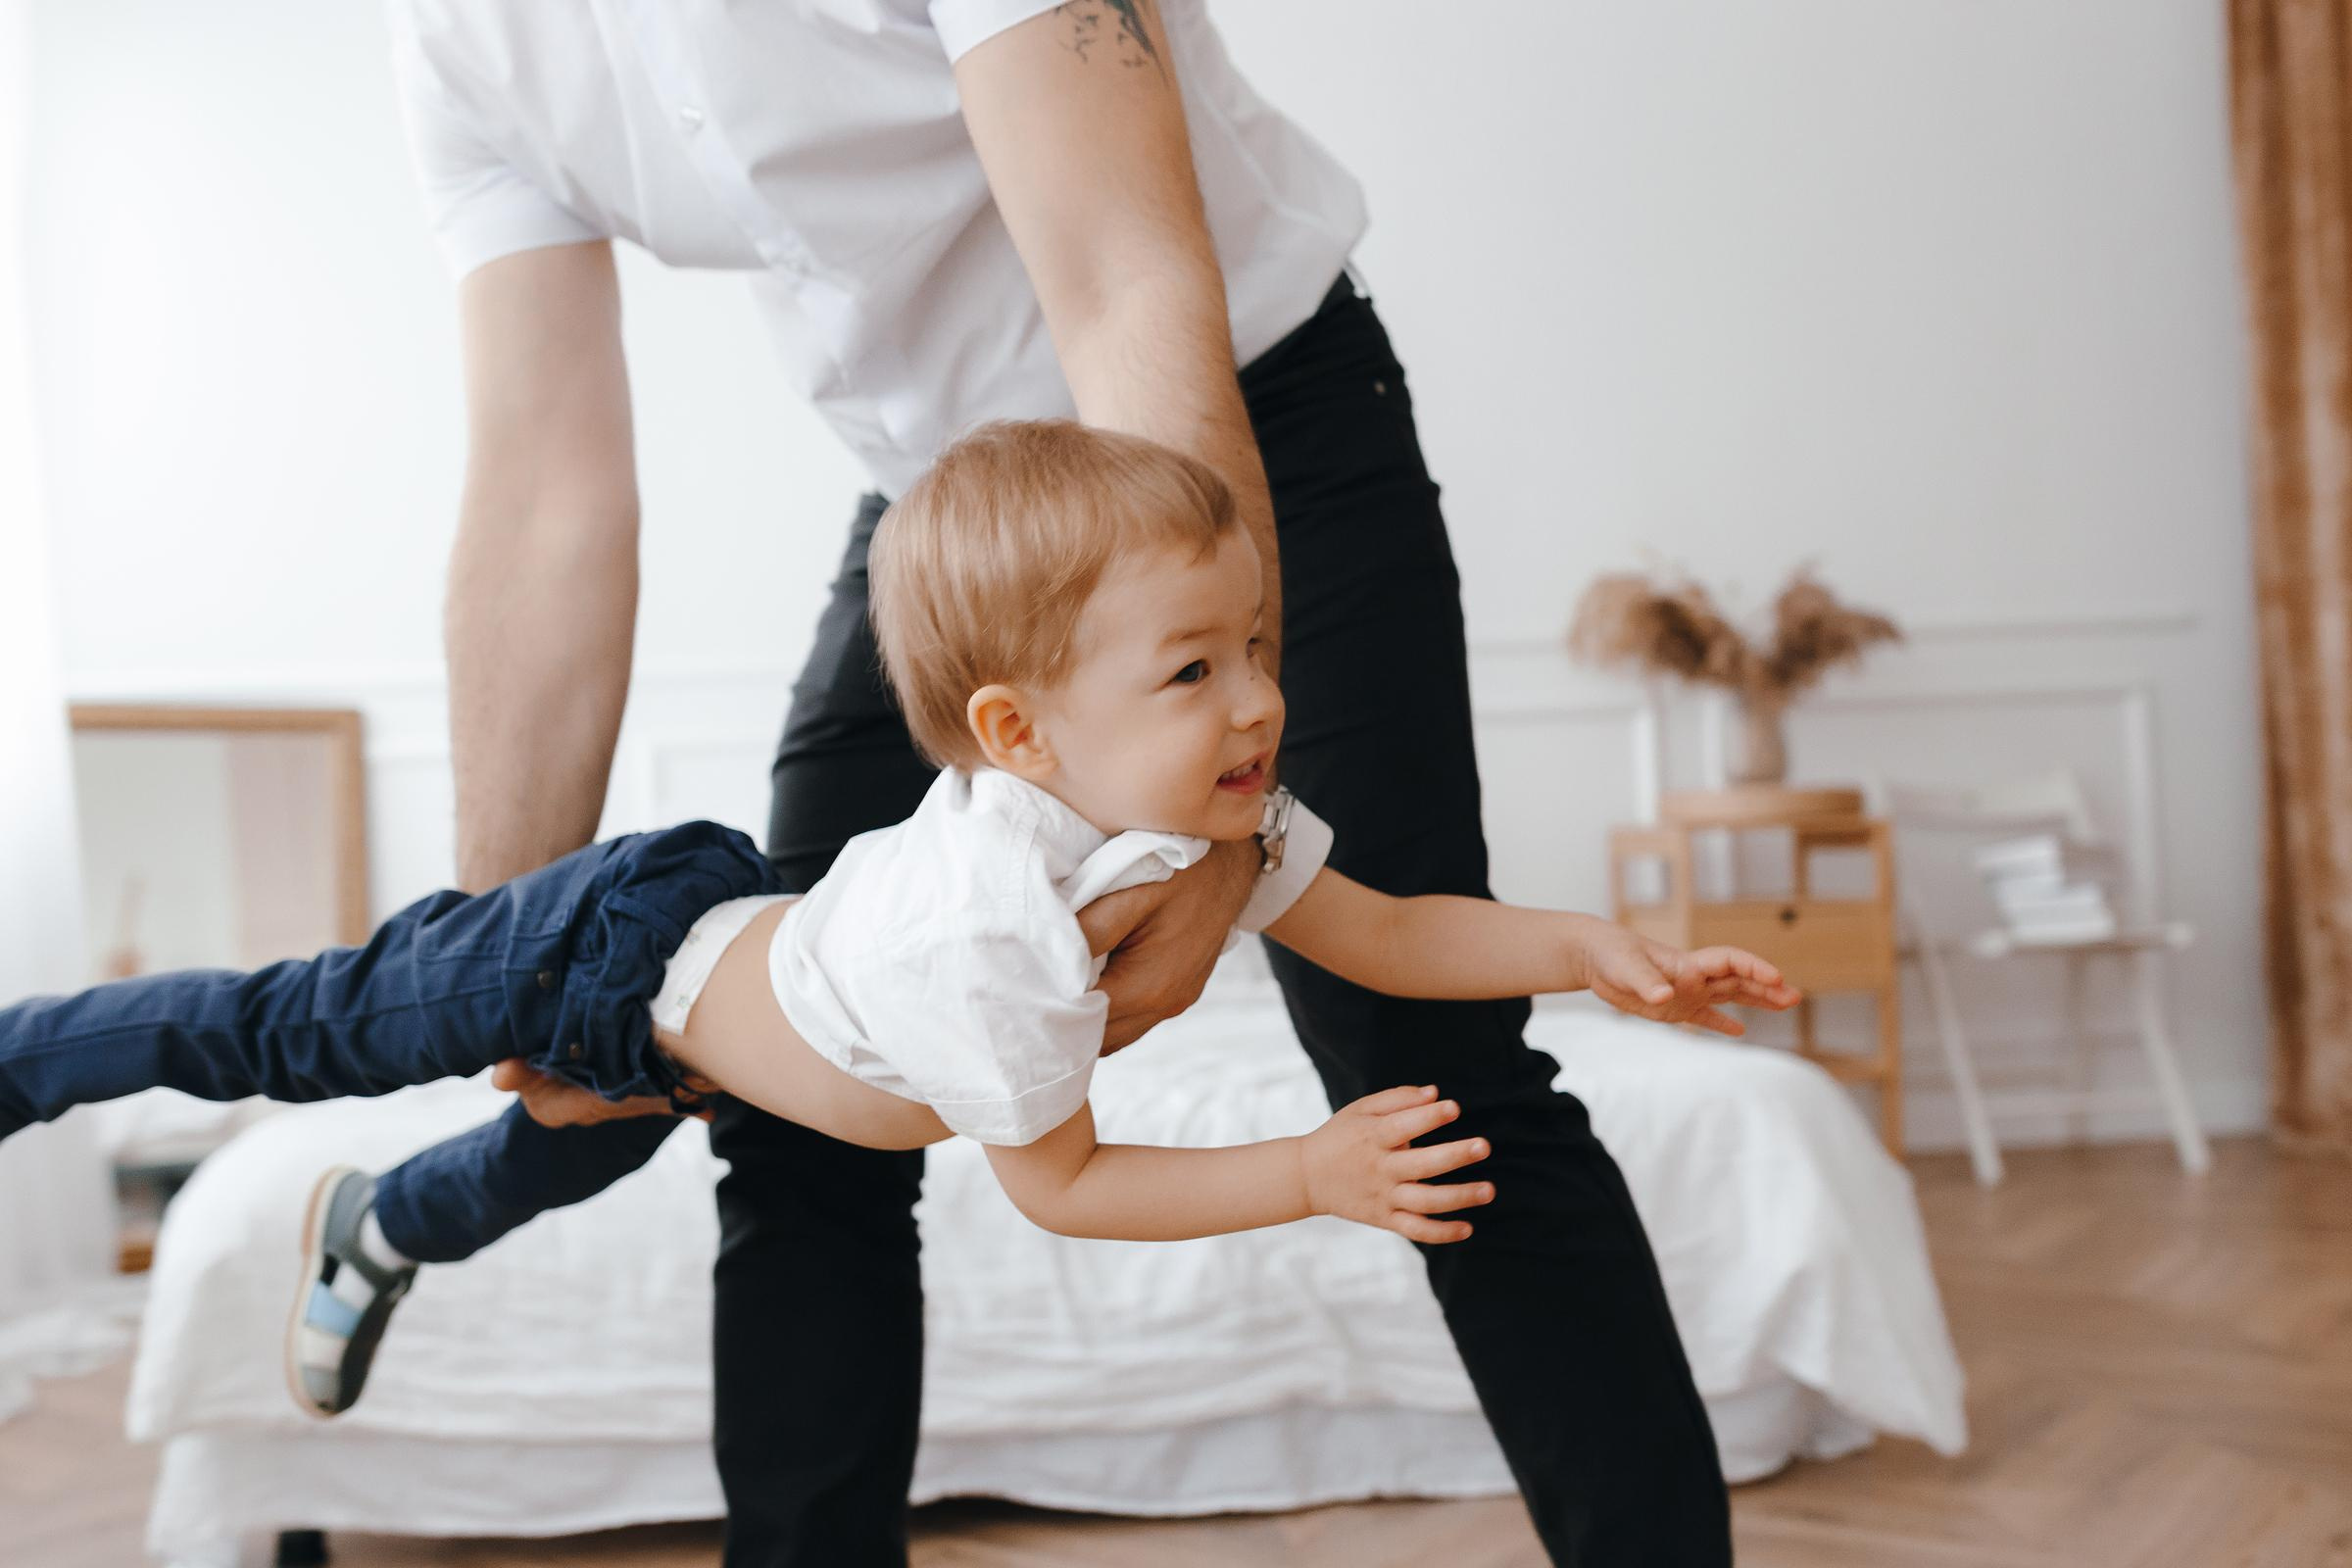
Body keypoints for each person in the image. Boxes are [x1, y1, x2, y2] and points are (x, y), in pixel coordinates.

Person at [364, 3, 1743, 1562]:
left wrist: (1211, 801)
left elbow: (1128, 288)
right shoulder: (463, 46)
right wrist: (495, 952)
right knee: (805, 1087)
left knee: (1431, 1074)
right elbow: (546, 498)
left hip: (1235, 412)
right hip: (956, 521)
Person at [0, 423, 1798, 1398]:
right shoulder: (991, 927)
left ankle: (374, 1236)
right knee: (288, 1026)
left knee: (560, 1149)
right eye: (1193, 668)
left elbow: (1393, 932)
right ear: (1024, 734)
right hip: (595, 954)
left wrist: (1591, 955)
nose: (1258, 699)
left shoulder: (1202, 812)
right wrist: (1309, 1173)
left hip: (709, 1032)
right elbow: (1069, 1187)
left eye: (1256, 645)